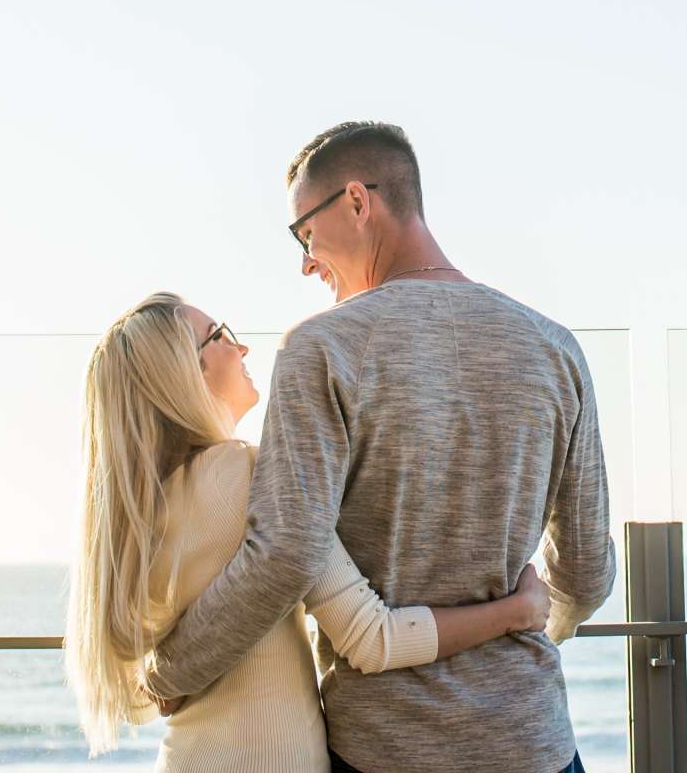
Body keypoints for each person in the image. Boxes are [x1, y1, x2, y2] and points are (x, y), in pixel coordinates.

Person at [146, 121, 615, 773]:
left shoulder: (323, 348)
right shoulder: (556, 348)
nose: (307, 262)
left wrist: (168, 672)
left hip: (384, 749)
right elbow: (587, 571)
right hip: (533, 742)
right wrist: (529, 624)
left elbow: (286, 553)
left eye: (305, 234)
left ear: (358, 202)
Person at [66, 289, 550, 768]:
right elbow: (373, 638)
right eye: (220, 335)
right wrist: (516, 611)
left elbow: (142, 698)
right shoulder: (252, 475)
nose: (242, 348)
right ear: (185, 373)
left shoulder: (132, 516)